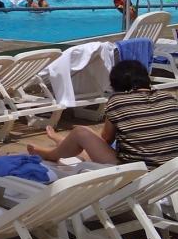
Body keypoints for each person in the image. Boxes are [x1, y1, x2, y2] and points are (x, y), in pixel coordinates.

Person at [28, 60, 178, 168]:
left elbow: (106, 140)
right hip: (171, 170)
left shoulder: (118, 101)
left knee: (81, 133)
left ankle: (52, 154)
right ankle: (63, 143)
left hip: (138, 171)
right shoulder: (169, 98)